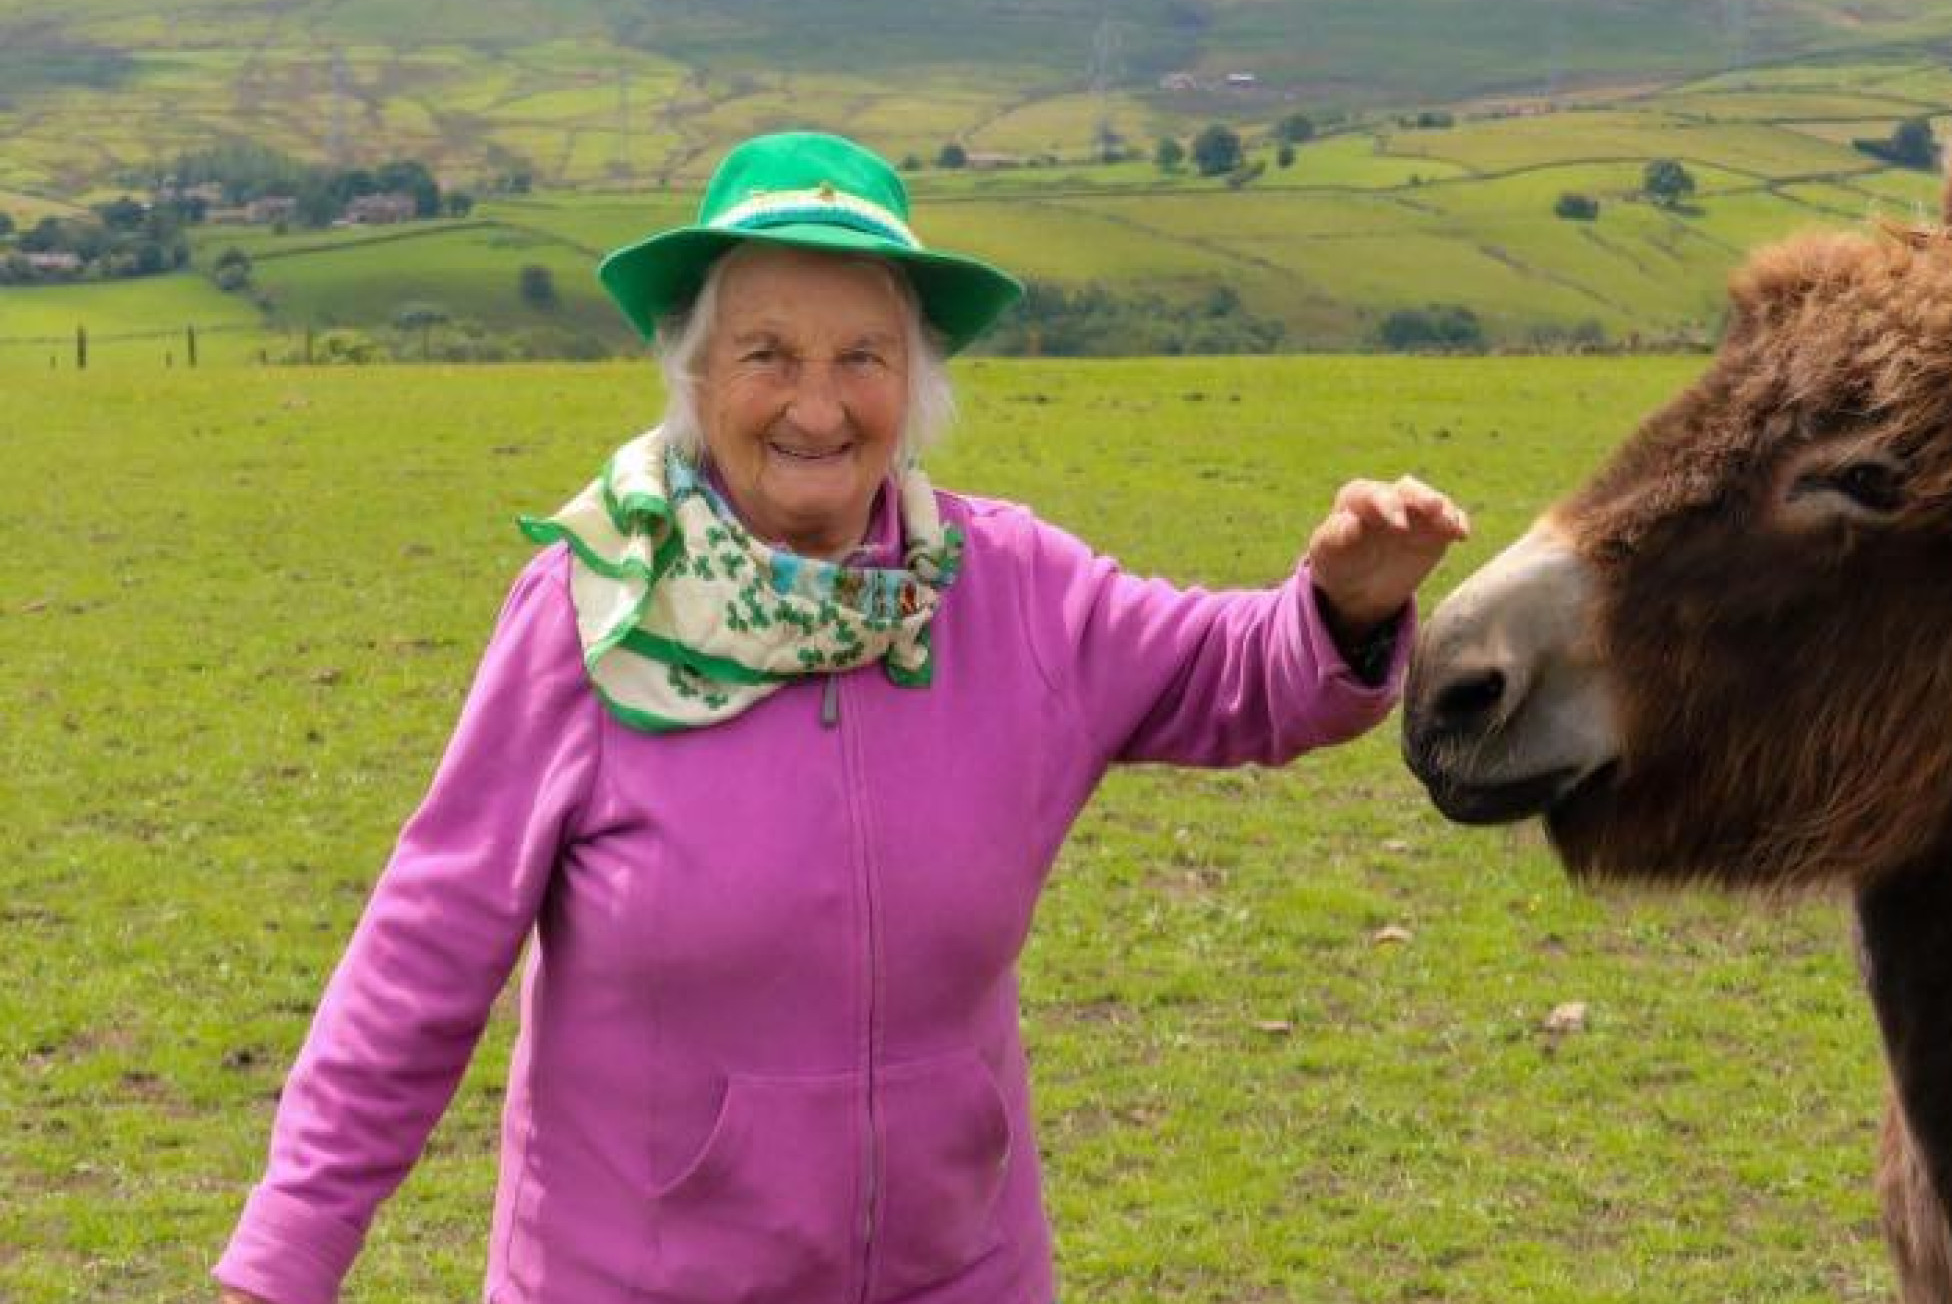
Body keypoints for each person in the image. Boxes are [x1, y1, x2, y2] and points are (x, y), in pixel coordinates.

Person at [213, 131, 1468, 1304]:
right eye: (767, 354)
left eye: (862, 356)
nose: (817, 406)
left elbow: (1230, 670)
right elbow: (422, 953)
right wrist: (288, 1251)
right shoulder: (593, 612)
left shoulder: (1007, 585)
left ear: (912, 381)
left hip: (961, 1272)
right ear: (693, 373)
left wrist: (1342, 605)